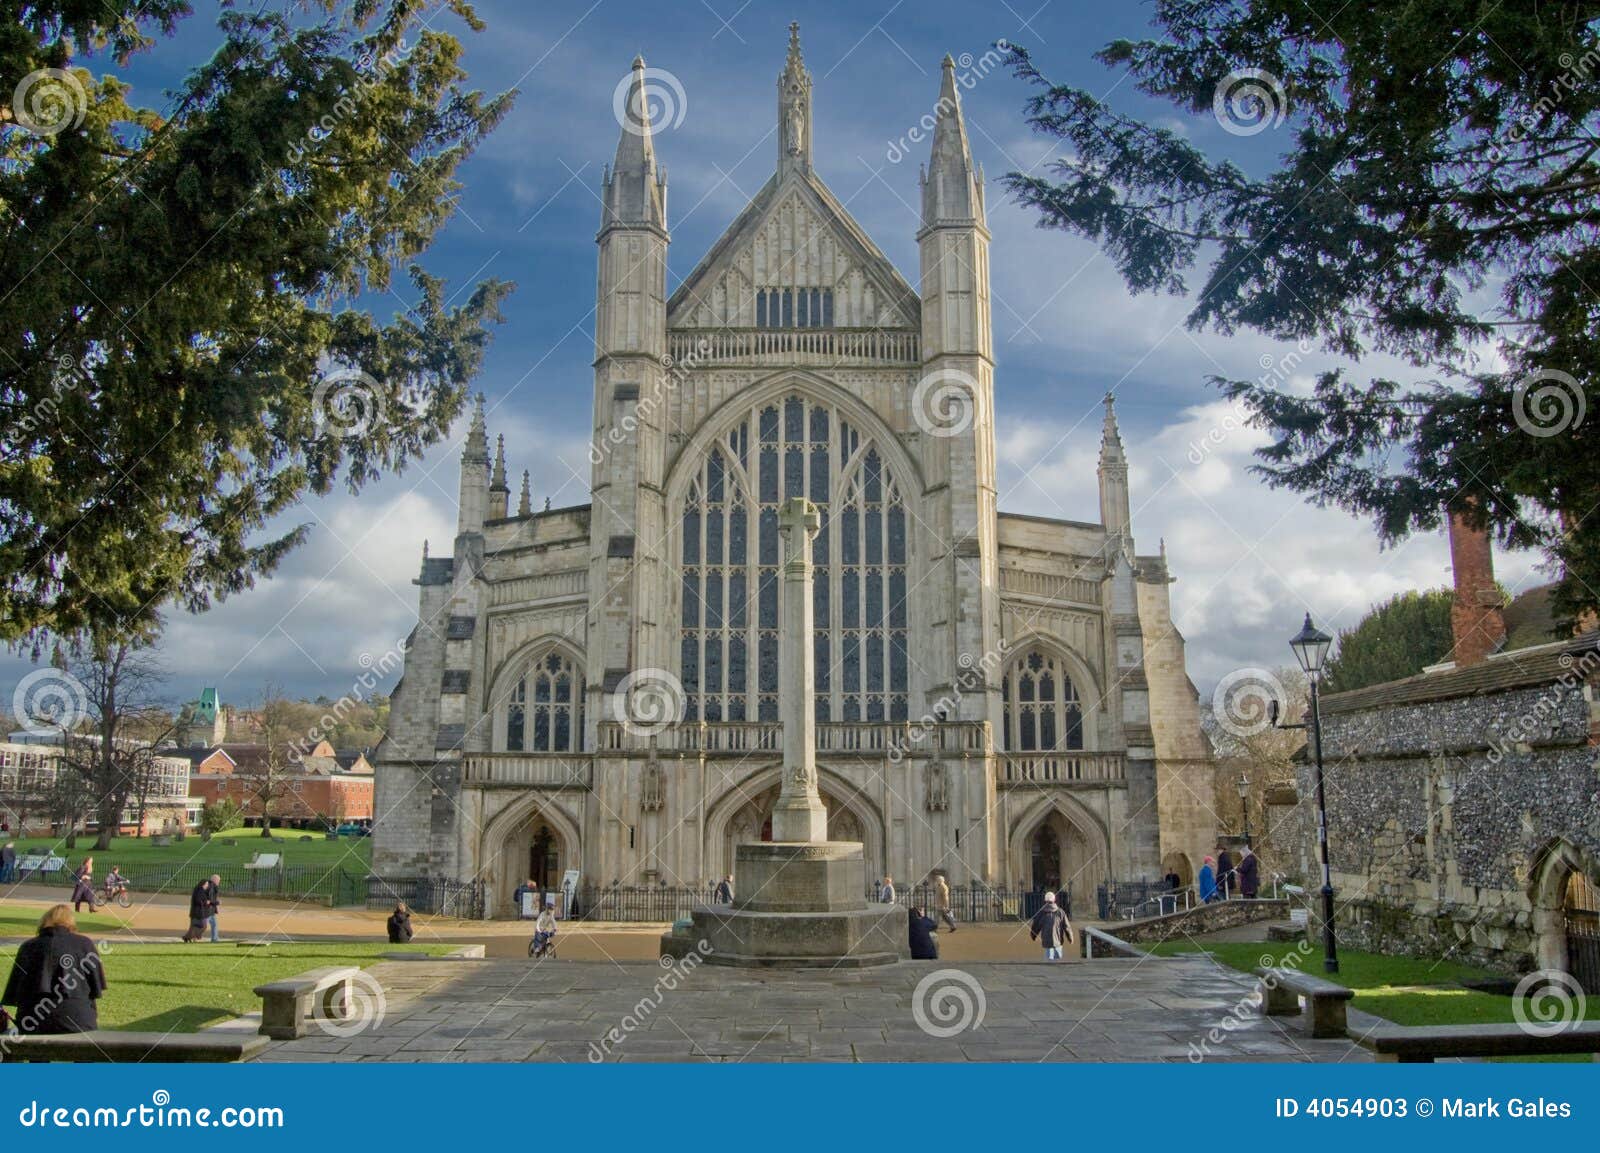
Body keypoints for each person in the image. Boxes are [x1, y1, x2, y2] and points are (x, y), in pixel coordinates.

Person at [2, 904, 107, 1034]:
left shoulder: (28, 946)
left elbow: (16, 993)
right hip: (79, 1022)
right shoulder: (85, 944)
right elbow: (95, 988)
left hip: (32, 1023)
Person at [1029, 890, 1074, 961]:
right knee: (1059, 964)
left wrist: (1033, 936)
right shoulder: (1060, 912)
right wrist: (1070, 939)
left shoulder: (1041, 913)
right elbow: (1067, 927)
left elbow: (1036, 926)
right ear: (1054, 900)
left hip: (1047, 942)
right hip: (1058, 942)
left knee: (1049, 964)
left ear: (1045, 900)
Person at [182, 875, 219, 943]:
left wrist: (209, 902)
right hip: (198, 913)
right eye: (206, 884)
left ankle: (188, 938)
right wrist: (207, 902)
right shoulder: (200, 890)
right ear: (203, 884)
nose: (207, 885)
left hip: (198, 912)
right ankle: (192, 937)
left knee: (194, 927)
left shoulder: (201, 890)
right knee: (202, 926)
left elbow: (203, 900)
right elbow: (198, 900)